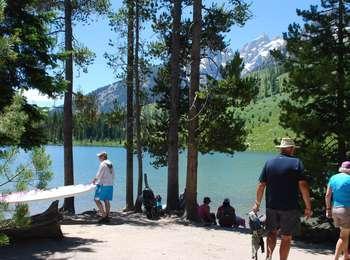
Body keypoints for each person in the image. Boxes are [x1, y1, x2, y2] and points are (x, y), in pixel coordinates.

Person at [252, 137, 312, 260]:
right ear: (290, 148)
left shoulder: (269, 162)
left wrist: (257, 203)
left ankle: (269, 256)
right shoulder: (296, 163)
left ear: (281, 149)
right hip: (290, 207)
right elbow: (303, 185)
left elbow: (261, 185)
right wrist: (308, 206)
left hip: (271, 205)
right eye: (293, 148)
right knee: (286, 236)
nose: (294, 150)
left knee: (272, 232)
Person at [325, 161, 350, 260]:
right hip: (346, 210)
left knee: (345, 233)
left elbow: (327, 195)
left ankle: (346, 256)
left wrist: (328, 209)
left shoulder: (333, 178)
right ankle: (335, 258)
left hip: (335, 209)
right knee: (343, 236)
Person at [92, 151, 115, 223]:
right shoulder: (110, 163)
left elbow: (99, 174)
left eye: (99, 156)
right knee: (106, 200)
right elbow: (113, 175)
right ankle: (107, 216)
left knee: (96, 199)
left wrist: (94, 180)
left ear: (103, 157)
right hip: (110, 184)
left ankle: (104, 215)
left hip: (103, 184)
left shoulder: (103, 164)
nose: (98, 158)